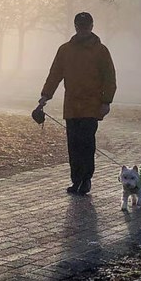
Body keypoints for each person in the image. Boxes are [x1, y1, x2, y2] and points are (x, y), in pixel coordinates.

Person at [38, 11, 117, 195]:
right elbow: (55, 74)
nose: (83, 31)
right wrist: (45, 95)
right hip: (72, 106)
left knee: (87, 144)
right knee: (73, 145)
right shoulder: (64, 50)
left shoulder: (101, 51)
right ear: (75, 27)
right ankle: (76, 180)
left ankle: (86, 179)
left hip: (91, 106)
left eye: (86, 27)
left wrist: (106, 101)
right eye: (80, 27)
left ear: (91, 27)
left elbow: (109, 78)